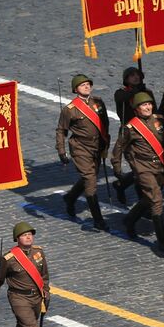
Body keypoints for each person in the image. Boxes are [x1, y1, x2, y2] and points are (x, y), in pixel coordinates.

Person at [112, 90, 164, 255]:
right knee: (156, 200)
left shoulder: (158, 120)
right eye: (143, 105)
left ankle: (130, 220)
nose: (147, 107)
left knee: (149, 199)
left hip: (159, 166)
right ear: (136, 109)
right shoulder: (131, 128)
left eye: (149, 104)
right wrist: (117, 168)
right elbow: (119, 147)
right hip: (143, 168)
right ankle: (163, 240)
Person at [56, 73, 111, 232]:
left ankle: (70, 197)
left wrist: (105, 144)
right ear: (75, 89)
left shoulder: (98, 102)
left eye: (88, 84)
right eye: (82, 85)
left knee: (90, 176)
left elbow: (105, 123)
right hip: (81, 147)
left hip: (97, 146)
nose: (87, 87)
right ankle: (98, 220)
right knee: (90, 181)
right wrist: (61, 150)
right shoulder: (70, 109)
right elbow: (61, 130)